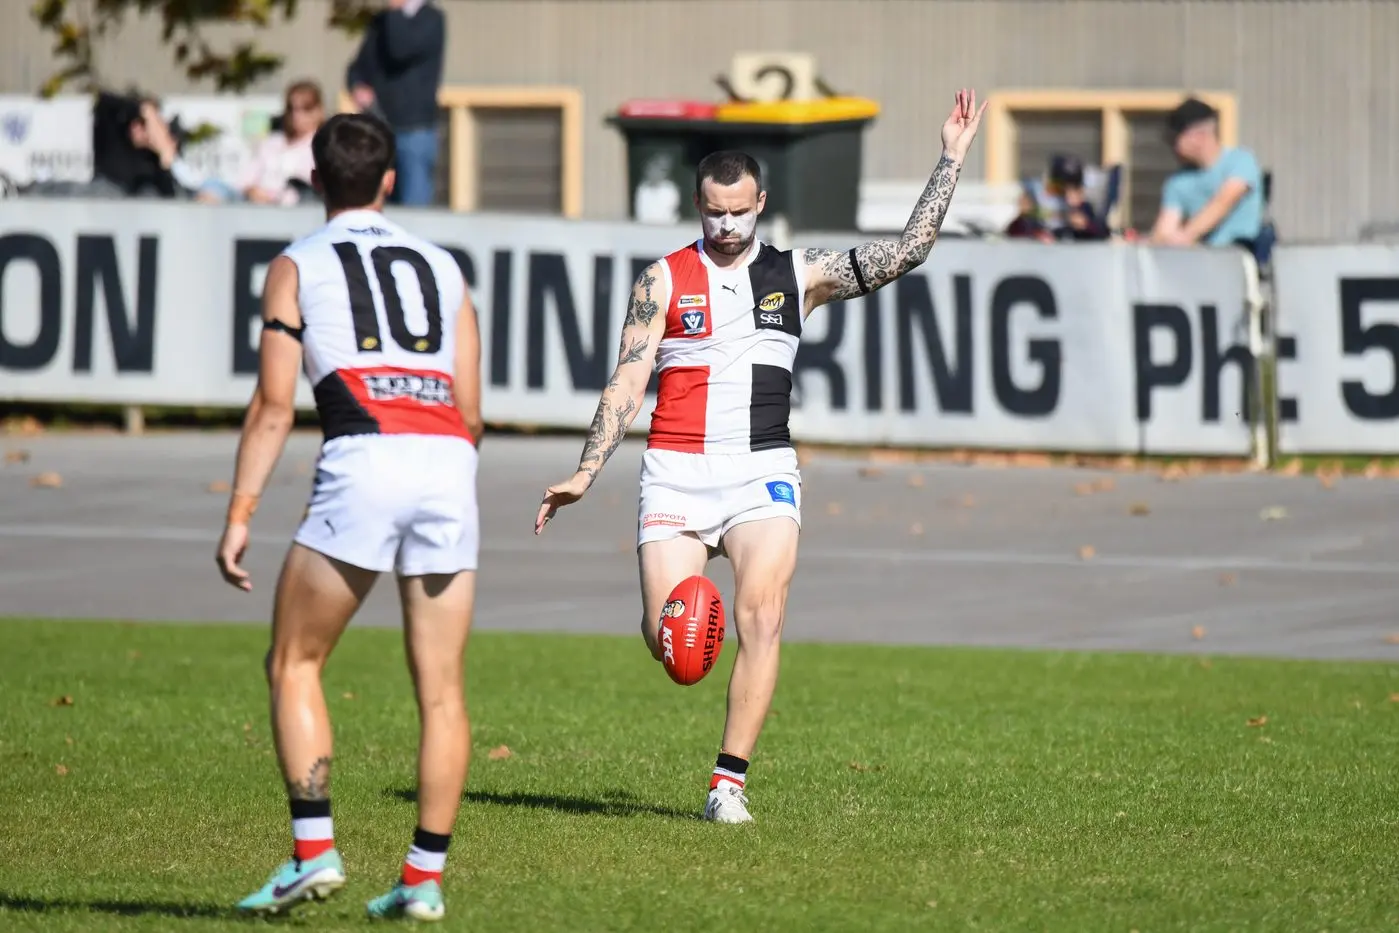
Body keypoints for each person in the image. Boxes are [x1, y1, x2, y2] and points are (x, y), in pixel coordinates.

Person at [533, 89, 987, 824]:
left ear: (761, 202)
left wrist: (949, 159)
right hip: (676, 471)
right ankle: (659, 624)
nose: (725, 223)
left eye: (739, 210)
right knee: (669, 644)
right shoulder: (660, 280)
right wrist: (587, 471)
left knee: (763, 615)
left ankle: (727, 784)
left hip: (760, 470)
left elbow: (907, 251)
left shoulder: (796, 272)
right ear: (696, 204)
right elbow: (627, 376)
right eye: (713, 210)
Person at [215, 110, 483, 922]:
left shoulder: (295, 263)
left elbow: (273, 404)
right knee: (440, 692)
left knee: (294, 661)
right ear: (391, 181)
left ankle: (313, 853)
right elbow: (472, 411)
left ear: (316, 180)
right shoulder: (444, 266)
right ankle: (424, 879)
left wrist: (239, 513)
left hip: (364, 455)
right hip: (446, 462)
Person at [345, 0, 446, 207]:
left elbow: (400, 49)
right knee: (379, 201)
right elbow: (358, 66)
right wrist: (357, 85)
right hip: (380, 128)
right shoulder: (381, 22)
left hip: (414, 130)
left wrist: (396, 11)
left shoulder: (431, 19)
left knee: (414, 206)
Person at [1149, 97, 1264, 248]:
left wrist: (1186, 235)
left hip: (1241, 257)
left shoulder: (1241, 161)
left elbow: (1223, 202)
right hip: (1200, 262)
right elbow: (1165, 230)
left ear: (1198, 136)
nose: (1172, 147)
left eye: (1175, 139)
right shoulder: (1177, 182)